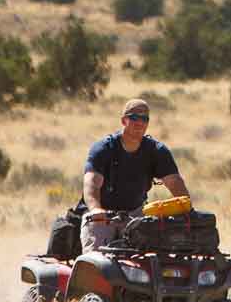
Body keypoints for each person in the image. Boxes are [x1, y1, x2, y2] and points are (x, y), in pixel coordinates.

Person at [81, 97, 190, 255]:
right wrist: (96, 210)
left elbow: (174, 182)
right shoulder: (104, 148)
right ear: (123, 120)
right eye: (134, 118)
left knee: (152, 258)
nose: (139, 122)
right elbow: (91, 183)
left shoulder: (156, 151)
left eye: (144, 119)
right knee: (96, 261)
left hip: (136, 215)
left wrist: (187, 210)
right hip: (102, 218)